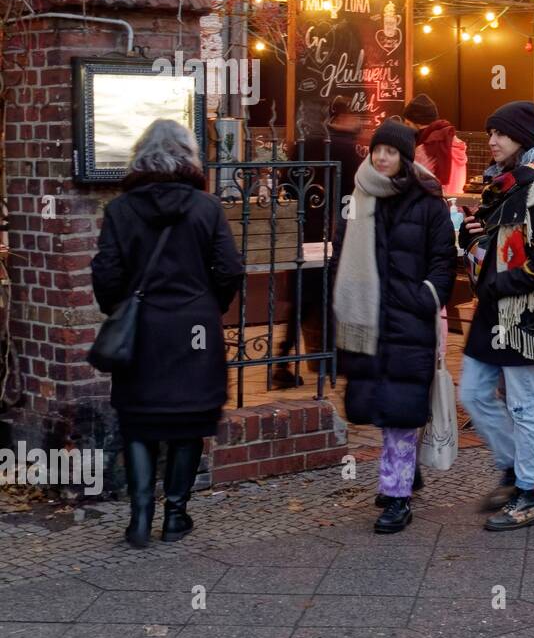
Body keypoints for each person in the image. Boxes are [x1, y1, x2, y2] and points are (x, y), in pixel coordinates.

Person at [91, 120, 245, 548]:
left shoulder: (120, 210)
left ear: (140, 155)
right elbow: (230, 269)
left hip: (143, 329)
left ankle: (140, 517)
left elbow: (105, 272)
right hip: (195, 327)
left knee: (138, 421)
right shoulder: (206, 207)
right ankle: (175, 516)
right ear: (188, 155)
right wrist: (207, 304)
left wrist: (120, 309)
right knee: (188, 420)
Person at [458, 101, 534, 532]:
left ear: (523, 140)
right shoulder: (502, 186)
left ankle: (529, 494)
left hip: (524, 314)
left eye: (502, 134)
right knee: (472, 393)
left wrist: (504, 281)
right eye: (491, 132)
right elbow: (495, 243)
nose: (492, 141)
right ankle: (513, 468)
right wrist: (470, 235)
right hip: (491, 310)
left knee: (526, 404)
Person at [331, 118, 457, 534]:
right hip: (367, 319)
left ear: (405, 157)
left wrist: (423, 297)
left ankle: (397, 495)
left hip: (408, 319)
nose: (382, 157)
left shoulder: (427, 202)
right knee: (382, 408)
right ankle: (402, 474)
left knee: (402, 411)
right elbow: (339, 257)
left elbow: (443, 263)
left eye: (391, 151)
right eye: (377, 150)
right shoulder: (358, 197)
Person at [272, 97, 366, 389]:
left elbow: (286, 185)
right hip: (334, 234)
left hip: (303, 231)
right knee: (328, 295)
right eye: (355, 117)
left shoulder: (303, 146)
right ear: (344, 117)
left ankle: (284, 359)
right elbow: (358, 197)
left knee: (303, 298)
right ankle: (328, 357)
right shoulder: (349, 152)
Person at [403, 94, 468, 195]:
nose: (406, 128)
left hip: (433, 207)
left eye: (408, 124)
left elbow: (414, 185)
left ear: (419, 123)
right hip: (457, 206)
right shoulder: (456, 144)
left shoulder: (425, 149)